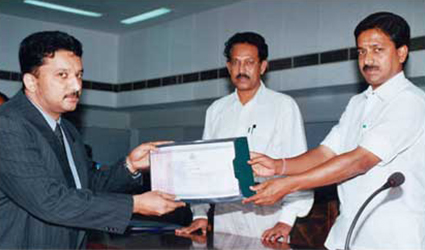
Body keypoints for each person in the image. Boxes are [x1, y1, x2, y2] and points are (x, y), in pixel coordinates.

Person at [244, 12, 425, 250]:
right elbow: (325, 153)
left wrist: (289, 184)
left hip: (392, 241)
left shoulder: (410, 101)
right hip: (346, 236)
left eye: (377, 50)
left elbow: (360, 161)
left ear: (401, 53)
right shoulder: (358, 103)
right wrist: (279, 166)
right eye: (361, 51)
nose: (367, 59)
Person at [0, 31, 185, 249]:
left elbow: (87, 186)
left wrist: (130, 165)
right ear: (31, 81)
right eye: (63, 75)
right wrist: (134, 204)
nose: (77, 86)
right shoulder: (8, 125)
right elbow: (49, 201)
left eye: (78, 75)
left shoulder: (67, 129)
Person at [176, 32, 313, 242]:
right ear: (229, 67)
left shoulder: (283, 106)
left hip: (269, 220)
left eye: (249, 62)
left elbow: (298, 165)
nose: (242, 70)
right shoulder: (216, 110)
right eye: (236, 63)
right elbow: (204, 168)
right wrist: (201, 214)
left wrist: (287, 220)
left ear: (263, 66)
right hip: (225, 220)